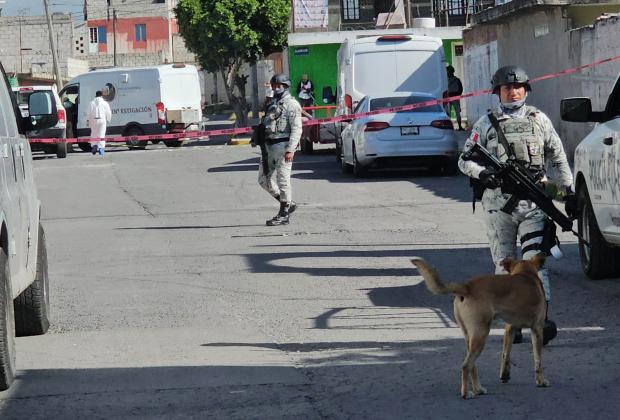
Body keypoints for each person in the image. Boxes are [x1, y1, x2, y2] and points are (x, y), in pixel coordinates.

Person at [457, 65, 577, 346]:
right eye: (506, 88)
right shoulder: (485, 124)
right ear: (497, 92)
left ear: (526, 89)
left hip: (534, 202)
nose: (512, 91)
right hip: (498, 206)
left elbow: (557, 157)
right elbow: (465, 160)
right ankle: (513, 323)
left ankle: (542, 318)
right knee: (504, 264)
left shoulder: (539, 120)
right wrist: (483, 173)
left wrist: (567, 191)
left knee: (536, 262)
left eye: (518, 87)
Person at [258, 73, 302, 226]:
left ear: (286, 86)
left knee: (283, 180)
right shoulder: (271, 103)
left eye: (279, 86)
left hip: (283, 147)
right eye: (274, 86)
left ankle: (284, 214)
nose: (276, 88)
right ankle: (289, 203)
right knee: (263, 180)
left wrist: (291, 149)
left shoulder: (292, 104)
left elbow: (297, 129)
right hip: (268, 147)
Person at [86, 90, 112, 155]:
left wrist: (87, 120)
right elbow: (108, 112)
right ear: (101, 95)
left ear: (96, 95)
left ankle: (94, 146)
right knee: (101, 134)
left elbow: (88, 113)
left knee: (94, 133)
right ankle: (101, 149)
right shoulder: (105, 103)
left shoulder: (91, 103)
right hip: (102, 120)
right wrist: (108, 119)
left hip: (93, 120)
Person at [445, 65, 464, 130]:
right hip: (455, 97)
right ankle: (460, 127)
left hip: (447, 98)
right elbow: (461, 89)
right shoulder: (457, 80)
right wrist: (458, 95)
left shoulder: (444, 80)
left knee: (448, 113)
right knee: (457, 112)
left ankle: (449, 127)